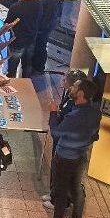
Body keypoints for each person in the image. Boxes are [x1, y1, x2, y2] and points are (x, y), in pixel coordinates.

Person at [39, 80, 102, 218]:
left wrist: (53, 112)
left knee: (60, 191)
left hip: (65, 158)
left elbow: (56, 133)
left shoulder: (74, 116)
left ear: (80, 93)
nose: (71, 88)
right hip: (81, 157)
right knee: (76, 189)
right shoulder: (96, 112)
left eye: (75, 87)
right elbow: (94, 135)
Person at [42, 69, 88, 209]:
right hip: (61, 142)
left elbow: (58, 130)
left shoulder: (77, 105)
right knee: (55, 167)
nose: (63, 82)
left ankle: (58, 201)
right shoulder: (69, 95)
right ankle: (53, 192)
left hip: (66, 144)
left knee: (62, 173)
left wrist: (54, 113)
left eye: (67, 81)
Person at [4, 0, 42, 78]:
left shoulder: (15, 7)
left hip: (17, 43)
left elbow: (7, 25)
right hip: (31, 41)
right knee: (27, 65)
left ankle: (12, 86)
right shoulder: (39, 5)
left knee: (12, 68)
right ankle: (25, 83)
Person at [32, 0, 63, 73]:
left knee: (40, 48)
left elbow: (48, 18)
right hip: (43, 29)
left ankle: (37, 69)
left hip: (42, 30)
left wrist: (39, 30)